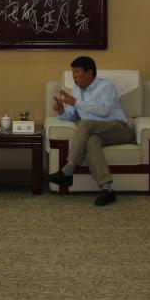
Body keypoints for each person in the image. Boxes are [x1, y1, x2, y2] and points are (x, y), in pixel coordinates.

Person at [47, 56, 130, 207]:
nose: (74, 76)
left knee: (84, 124)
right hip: (95, 133)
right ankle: (107, 189)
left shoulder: (106, 86)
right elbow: (72, 115)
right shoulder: (75, 90)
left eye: (77, 72)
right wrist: (61, 111)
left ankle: (68, 168)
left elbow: (104, 110)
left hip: (118, 129)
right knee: (91, 142)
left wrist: (76, 103)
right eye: (73, 72)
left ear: (89, 73)